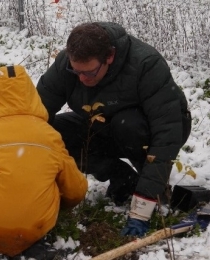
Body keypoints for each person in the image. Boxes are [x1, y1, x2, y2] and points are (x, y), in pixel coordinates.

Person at [36, 22, 191, 237]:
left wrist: (141, 209)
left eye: (89, 73)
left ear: (110, 56)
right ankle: (122, 176)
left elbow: (167, 131)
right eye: (76, 71)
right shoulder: (66, 65)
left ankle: (153, 188)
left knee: (127, 123)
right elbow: (36, 115)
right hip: (103, 126)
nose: (81, 79)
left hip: (149, 129)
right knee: (55, 133)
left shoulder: (146, 64)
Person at [0, 65, 88, 259]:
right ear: (31, 95)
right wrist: (61, 205)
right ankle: (35, 242)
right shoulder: (49, 134)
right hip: (38, 225)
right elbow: (76, 189)